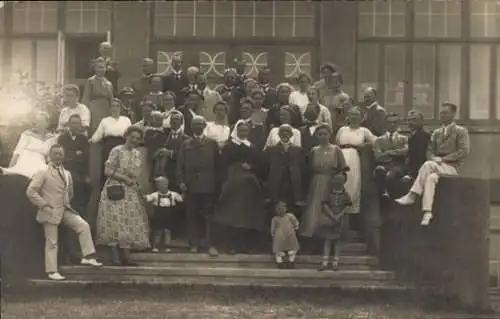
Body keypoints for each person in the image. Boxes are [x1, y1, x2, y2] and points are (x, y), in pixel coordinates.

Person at [26, 144, 102, 281]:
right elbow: (31, 192)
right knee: (52, 242)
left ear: (64, 156)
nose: (58, 156)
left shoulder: (66, 173)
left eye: (60, 154)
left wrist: (65, 203)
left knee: (83, 226)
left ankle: (87, 256)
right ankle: (52, 271)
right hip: (49, 211)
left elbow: (70, 192)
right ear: (50, 155)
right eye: (55, 153)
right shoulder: (42, 171)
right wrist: (44, 204)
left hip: (65, 209)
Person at [396, 102, 470, 226]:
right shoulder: (436, 133)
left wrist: (444, 159)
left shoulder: (461, 131)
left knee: (427, 165)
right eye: (441, 113)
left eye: (445, 112)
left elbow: (464, 151)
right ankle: (427, 212)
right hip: (436, 166)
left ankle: (412, 195)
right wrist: (434, 158)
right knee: (430, 178)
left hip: (453, 168)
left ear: (453, 114)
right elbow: (429, 151)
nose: (442, 115)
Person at [96, 126, 151, 265]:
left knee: (128, 221)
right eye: (132, 137)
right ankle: (115, 258)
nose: (134, 140)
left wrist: (133, 181)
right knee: (115, 221)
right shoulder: (117, 150)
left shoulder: (137, 154)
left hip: (130, 190)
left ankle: (126, 257)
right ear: (126, 136)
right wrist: (124, 178)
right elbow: (108, 170)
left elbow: (136, 172)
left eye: (138, 138)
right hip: (115, 188)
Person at [214, 121, 266, 253]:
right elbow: (222, 165)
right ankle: (232, 245)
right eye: (241, 130)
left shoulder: (252, 147)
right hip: (233, 183)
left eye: (245, 130)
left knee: (248, 215)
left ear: (249, 132)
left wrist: (251, 167)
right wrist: (224, 181)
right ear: (237, 131)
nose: (243, 133)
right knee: (233, 214)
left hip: (249, 185)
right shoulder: (229, 147)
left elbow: (261, 166)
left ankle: (246, 245)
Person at [177, 116, 219, 256]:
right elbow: (180, 166)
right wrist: (181, 182)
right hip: (191, 185)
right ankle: (193, 244)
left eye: (200, 124)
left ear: (204, 125)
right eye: (194, 124)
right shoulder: (185, 144)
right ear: (191, 126)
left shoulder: (212, 144)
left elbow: (218, 165)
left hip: (208, 185)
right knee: (192, 215)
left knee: (209, 215)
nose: (197, 127)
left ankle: (210, 244)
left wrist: (217, 183)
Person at [301, 124, 348, 237]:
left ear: (330, 135)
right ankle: (312, 235)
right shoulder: (314, 150)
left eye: (325, 134)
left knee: (329, 207)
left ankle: (330, 236)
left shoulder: (336, 149)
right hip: (316, 182)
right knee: (314, 207)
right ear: (317, 136)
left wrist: (338, 183)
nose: (323, 136)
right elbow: (308, 168)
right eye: (320, 134)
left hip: (331, 182)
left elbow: (343, 168)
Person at [336, 107, 376, 217]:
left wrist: (365, 145)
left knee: (353, 183)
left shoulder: (364, 131)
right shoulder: (342, 129)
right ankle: (339, 213)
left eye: (357, 115)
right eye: (352, 114)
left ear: (361, 117)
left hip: (355, 159)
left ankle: (352, 215)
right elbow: (336, 143)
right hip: (342, 157)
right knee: (341, 182)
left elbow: (375, 142)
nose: (354, 117)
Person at [1, 112, 56, 178]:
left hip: (40, 161)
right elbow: (17, 152)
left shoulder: (52, 138)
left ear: (47, 123)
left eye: (41, 121)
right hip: (26, 158)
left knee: (43, 172)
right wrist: (10, 167)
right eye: (37, 121)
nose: (38, 123)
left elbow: (51, 156)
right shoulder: (27, 134)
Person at [265, 124, 305, 213]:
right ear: (278, 134)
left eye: (287, 131)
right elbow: (266, 169)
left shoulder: (298, 150)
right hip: (276, 184)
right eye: (282, 131)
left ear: (291, 135)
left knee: (291, 209)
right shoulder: (271, 150)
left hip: (292, 184)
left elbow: (302, 170)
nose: (285, 133)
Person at [317, 173, 351, 272]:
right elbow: (324, 205)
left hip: (340, 219)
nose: (338, 182)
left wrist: (339, 216)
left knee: (337, 241)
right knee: (327, 240)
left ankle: (335, 261)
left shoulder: (345, 194)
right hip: (329, 219)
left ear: (344, 181)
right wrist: (332, 216)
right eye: (336, 179)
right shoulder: (328, 193)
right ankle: (324, 261)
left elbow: (347, 206)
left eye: (341, 180)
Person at [57, 114, 90, 216]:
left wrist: (71, 155)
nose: (75, 126)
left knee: (87, 187)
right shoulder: (62, 138)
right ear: (69, 125)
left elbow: (85, 157)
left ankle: (79, 213)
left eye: (78, 123)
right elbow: (62, 155)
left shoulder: (84, 139)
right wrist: (76, 153)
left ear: (80, 125)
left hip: (80, 171)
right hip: (65, 169)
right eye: (73, 123)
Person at [372, 113, 408, 199]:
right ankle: (384, 194)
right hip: (384, 165)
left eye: (395, 122)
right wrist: (397, 153)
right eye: (390, 122)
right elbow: (377, 156)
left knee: (390, 174)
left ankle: (385, 191)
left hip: (398, 166)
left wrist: (387, 152)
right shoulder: (379, 140)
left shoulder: (404, 138)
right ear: (385, 124)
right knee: (379, 169)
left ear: (398, 123)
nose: (392, 124)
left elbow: (405, 152)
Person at [145, 176, 183, 253]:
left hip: (169, 214)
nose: (160, 186)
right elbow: (147, 198)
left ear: (167, 184)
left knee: (167, 231)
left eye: (162, 184)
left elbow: (180, 199)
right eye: (158, 185)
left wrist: (183, 194)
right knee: (158, 231)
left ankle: (167, 246)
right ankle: (156, 246)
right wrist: (143, 196)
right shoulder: (155, 195)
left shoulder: (173, 194)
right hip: (159, 214)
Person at [82, 57, 114, 135]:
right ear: (95, 69)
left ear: (106, 69)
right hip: (94, 108)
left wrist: (112, 110)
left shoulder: (109, 83)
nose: (101, 70)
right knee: (95, 129)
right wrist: (85, 111)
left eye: (103, 67)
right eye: (99, 67)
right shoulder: (91, 81)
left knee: (106, 129)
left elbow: (111, 99)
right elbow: (86, 97)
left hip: (106, 108)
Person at [271, 201, 300, 269]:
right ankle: (280, 263)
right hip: (280, 237)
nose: (280, 210)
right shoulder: (275, 219)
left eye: (282, 207)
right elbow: (273, 228)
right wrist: (272, 233)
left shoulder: (290, 216)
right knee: (278, 250)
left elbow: (296, 222)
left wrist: (296, 227)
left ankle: (291, 262)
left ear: (286, 208)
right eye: (278, 208)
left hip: (290, 235)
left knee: (292, 249)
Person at [404, 109, 431, 180]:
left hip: (419, 172)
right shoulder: (412, 135)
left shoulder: (423, 135)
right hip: (413, 170)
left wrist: (410, 175)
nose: (411, 122)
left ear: (422, 121)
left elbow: (419, 158)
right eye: (409, 120)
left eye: (414, 120)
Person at [145, 111, 168, 180]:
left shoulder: (165, 130)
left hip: (162, 151)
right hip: (153, 152)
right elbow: (148, 141)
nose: (159, 122)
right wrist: (157, 134)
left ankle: (159, 174)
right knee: (156, 163)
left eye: (160, 120)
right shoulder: (149, 130)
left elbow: (166, 141)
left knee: (162, 157)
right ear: (151, 120)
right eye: (157, 120)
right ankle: (157, 175)